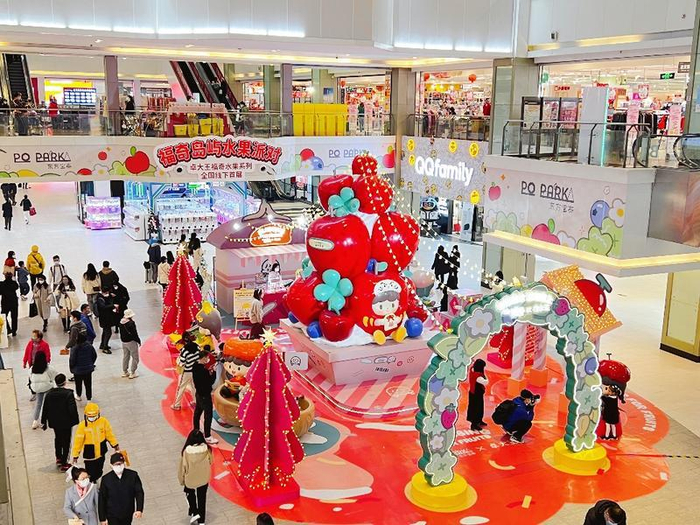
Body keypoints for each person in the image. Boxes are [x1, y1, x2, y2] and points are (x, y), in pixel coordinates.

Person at [71, 403, 119, 482]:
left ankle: (95, 479)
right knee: (90, 473)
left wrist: (115, 445)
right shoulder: (82, 426)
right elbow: (78, 442)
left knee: (99, 471)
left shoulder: (103, 422)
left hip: (101, 453)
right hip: (90, 455)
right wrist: (75, 456)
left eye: (93, 416)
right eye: (90, 416)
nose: (92, 418)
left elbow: (109, 434)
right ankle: (91, 482)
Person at [41, 373, 79, 471]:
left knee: (58, 439)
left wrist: (44, 421)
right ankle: (64, 463)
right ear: (65, 382)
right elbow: (72, 409)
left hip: (55, 422)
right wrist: (76, 420)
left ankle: (58, 457)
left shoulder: (49, 394)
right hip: (66, 422)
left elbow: (45, 408)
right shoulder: (68, 394)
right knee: (66, 442)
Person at [98, 452, 145, 525]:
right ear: (111, 465)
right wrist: (102, 518)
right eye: (116, 464)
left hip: (127, 512)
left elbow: (139, 492)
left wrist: (139, 509)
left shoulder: (132, 475)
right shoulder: (106, 479)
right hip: (112, 514)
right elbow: (102, 499)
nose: (119, 466)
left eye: (120, 463)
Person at [178, 429, 213, 525]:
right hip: (204, 478)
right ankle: (202, 521)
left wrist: (181, 480)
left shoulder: (186, 452)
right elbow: (211, 461)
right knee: (202, 498)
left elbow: (182, 468)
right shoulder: (207, 449)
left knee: (189, 493)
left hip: (190, 479)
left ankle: (195, 511)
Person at [192, 350, 218, 444]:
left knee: (197, 412)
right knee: (208, 415)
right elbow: (210, 381)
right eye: (207, 358)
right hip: (205, 395)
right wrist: (213, 372)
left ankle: (196, 429)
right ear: (203, 358)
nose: (208, 359)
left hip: (198, 393)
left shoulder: (195, 366)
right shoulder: (203, 371)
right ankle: (208, 436)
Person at [171, 331, 200, 411]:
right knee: (194, 387)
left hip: (187, 372)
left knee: (181, 387)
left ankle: (177, 405)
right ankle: (196, 401)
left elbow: (182, 362)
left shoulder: (184, 350)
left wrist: (179, 360)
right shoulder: (197, 346)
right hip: (195, 370)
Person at [28, 350, 57, 429]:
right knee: (51, 401)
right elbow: (54, 376)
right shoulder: (48, 368)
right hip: (47, 387)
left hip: (37, 388)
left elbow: (30, 377)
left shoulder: (32, 369)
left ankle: (35, 421)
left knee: (38, 403)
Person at [69, 335, 97, 402]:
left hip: (78, 370)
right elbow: (94, 355)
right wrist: (91, 363)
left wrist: (72, 368)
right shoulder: (89, 346)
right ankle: (89, 398)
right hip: (88, 369)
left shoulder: (75, 348)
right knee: (88, 384)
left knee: (78, 384)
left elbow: (72, 359)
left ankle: (78, 395)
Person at [466, 359, 488, 431]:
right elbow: (486, 382)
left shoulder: (472, 370)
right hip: (476, 394)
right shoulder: (478, 376)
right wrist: (485, 376)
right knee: (476, 409)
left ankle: (479, 420)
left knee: (479, 408)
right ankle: (474, 424)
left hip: (473, 393)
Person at [119, 309, 141, 379]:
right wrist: (138, 341)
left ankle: (125, 371)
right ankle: (132, 372)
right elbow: (134, 333)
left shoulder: (121, 322)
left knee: (126, 357)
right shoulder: (131, 323)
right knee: (135, 357)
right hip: (131, 342)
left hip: (124, 342)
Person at [96, 287, 114, 353]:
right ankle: (105, 347)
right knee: (108, 333)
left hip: (105, 318)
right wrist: (113, 305)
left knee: (105, 332)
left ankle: (102, 344)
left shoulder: (102, 297)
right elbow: (103, 307)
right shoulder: (100, 299)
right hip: (105, 319)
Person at [0, 272, 19, 337]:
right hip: (14, 302)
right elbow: (17, 287)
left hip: (5, 303)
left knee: (3, 317)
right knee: (14, 317)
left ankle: (8, 329)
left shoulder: (1, 284)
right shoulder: (14, 283)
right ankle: (14, 331)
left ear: (5, 277)